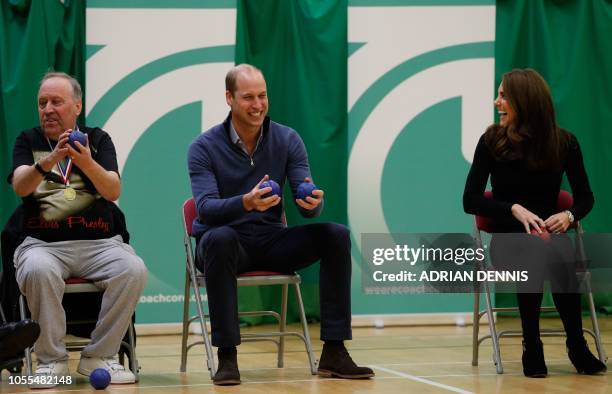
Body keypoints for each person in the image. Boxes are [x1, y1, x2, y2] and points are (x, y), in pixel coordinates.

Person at [187, 64, 374, 385]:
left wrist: (313, 203)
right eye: (248, 97)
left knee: (335, 235)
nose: (257, 104)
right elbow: (205, 210)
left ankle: (334, 351)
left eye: (262, 96)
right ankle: (227, 357)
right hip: (226, 244)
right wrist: (246, 202)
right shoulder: (203, 147)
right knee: (219, 238)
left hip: (272, 240)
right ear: (229, 98)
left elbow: (306, 191)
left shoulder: (287, 139)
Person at [463, 68, 607, 377]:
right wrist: (512, 208)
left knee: (559, 249)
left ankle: (576, 344)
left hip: (548, 240)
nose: (496, 101)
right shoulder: (491, 141)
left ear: (523, 102)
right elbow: (470, 200)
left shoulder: (565, 142)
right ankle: (532, 344)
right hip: (507, 241)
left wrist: (568, 215)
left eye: (503, 96)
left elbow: (585, 197)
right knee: (541, 251)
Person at [8, 72, 147, 388]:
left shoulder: (98, 140)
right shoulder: (28, 140)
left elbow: (112, 190)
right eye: (42, 103)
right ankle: (50, 361)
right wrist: (53, 158)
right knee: (36, 270)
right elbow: (20, 185)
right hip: (43, 245)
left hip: (99, 244)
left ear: (77, 106)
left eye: (56, 101)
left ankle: (99, 356)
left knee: (133, 269)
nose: (48, 109)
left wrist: (85, 162)